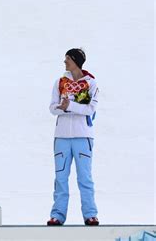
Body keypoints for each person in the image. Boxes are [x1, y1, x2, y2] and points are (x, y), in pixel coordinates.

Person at [47, 49, 99, 226]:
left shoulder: (91, 84)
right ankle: (57, 215)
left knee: (84, 177)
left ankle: (90, 215)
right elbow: (52, 108)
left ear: (76, 60)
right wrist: (62, 107)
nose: (65, 62)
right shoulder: (60, 82)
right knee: (60, 177)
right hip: (61, 137)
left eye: (68, 59)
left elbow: (90, 110)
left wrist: (70, 106)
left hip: (83, 137)